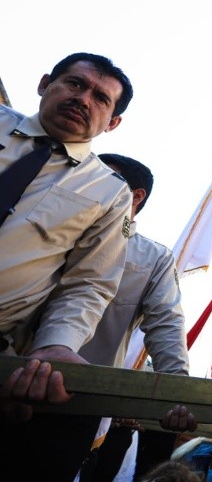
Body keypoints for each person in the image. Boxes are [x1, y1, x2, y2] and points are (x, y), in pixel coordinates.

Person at [0, 52, 135, 481]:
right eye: (74, 84)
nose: (83, 98)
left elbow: (88, 284)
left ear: (112, 123)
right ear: (44, 83)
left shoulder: (110, 194)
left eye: (101, 98)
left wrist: (55, 346)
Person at [77, 153, 194, 481]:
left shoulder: (152, 258)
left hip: (79, 406)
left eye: (101, 177)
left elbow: (167, 326)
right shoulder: (47, 223)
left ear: (135, 195)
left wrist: (177, 395)